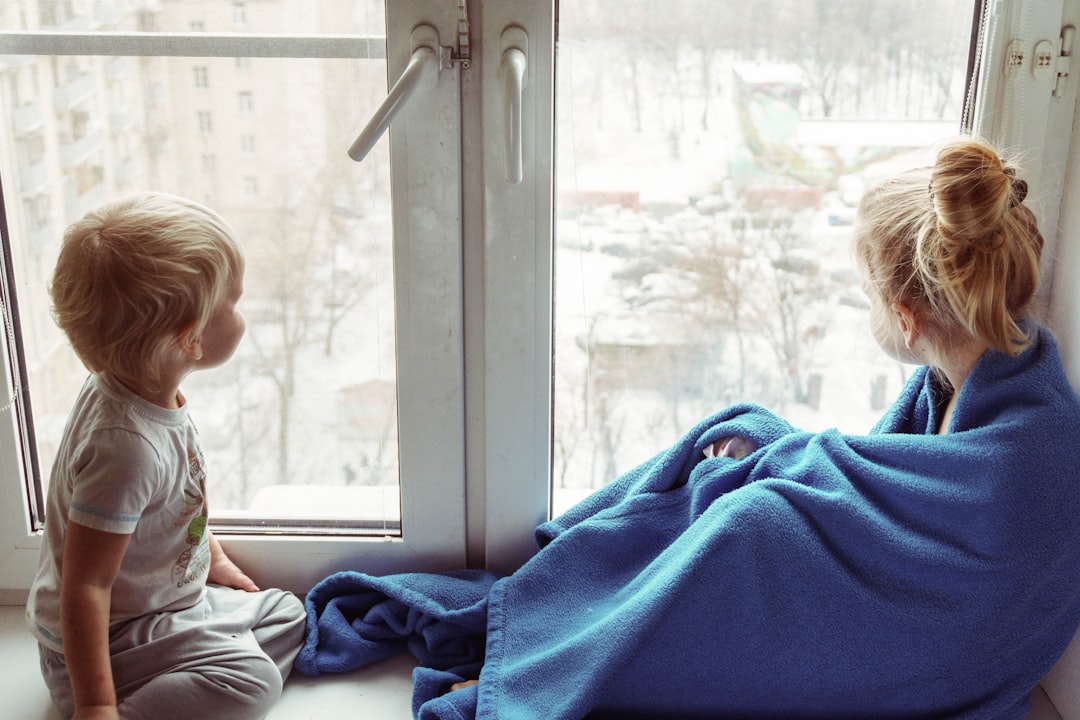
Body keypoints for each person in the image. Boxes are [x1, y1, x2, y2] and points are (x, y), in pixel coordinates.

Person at [296, 136, 1080, 720]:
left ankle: (555, 663)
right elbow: (890, 491)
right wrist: (779, 453)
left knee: (751, 527)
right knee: (736, 434)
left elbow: (924, 529)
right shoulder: (974, 376)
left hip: (941, 645)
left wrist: (784, 473)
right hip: (927, 597)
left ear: (905, 318)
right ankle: (564, 593)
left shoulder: (1035, 448)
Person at [26, 192, 306, 720]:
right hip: (104, 644)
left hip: (166, 607)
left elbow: (178, 505)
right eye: (235, 301)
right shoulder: (125, 448)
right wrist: (94, 704)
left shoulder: (138, 388)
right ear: (191, 338)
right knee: (254, 683)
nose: (243, 310)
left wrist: (214, 558)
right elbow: (85, 587)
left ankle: (198, 672)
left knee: (288, 612)